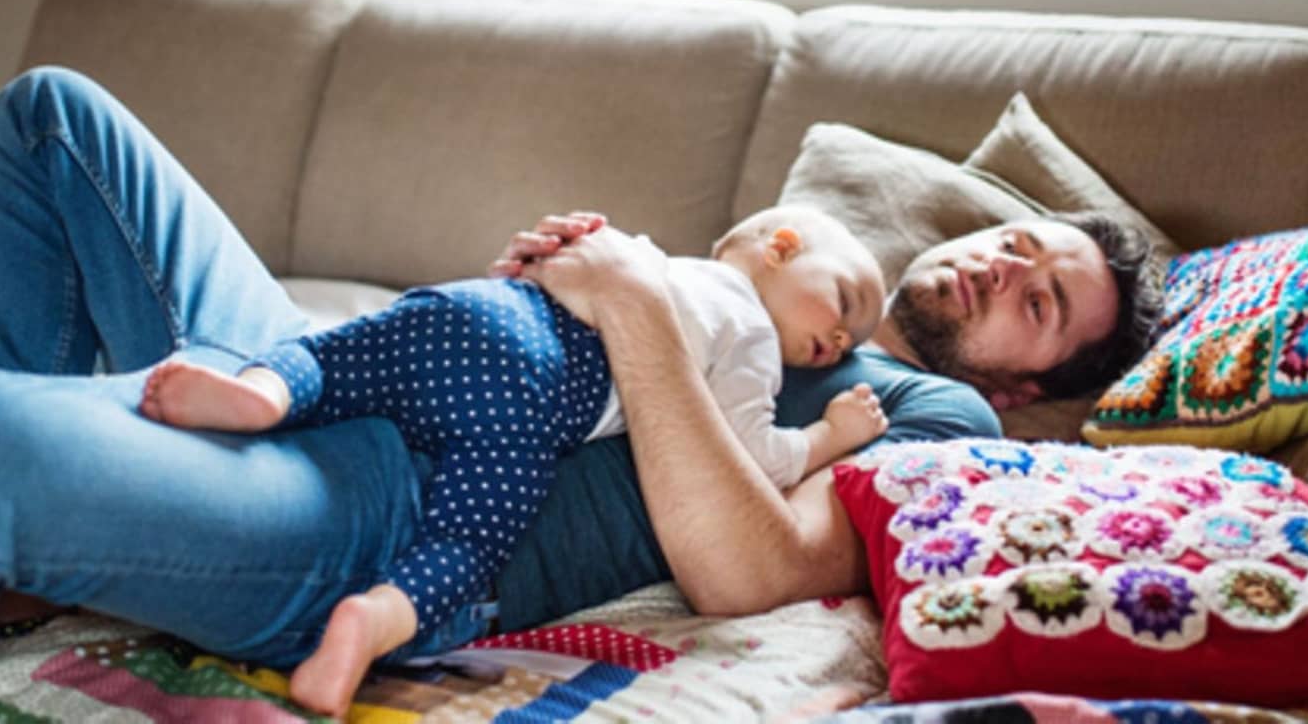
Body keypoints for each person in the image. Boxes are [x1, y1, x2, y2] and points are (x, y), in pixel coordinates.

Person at [0, 67, 1158, 702]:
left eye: (1040, 306)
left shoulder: (934, 422)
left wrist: (625, 306)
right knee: (49, 119)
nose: (996, 272)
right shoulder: (771, 274)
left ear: (1037, 390)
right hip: (332, 365)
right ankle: (68, 490)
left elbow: (751, 565)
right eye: (1014, 241)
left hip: (377, 513)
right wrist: (554, 282)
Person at [137, 203, 891, 710]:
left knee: (336, 355)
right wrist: (829, 437)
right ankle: (374, 622)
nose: (841, 342)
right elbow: (753, 458)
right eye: (845, 303)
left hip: (481, 311)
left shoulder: (641, 253)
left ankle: (263, 394)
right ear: (781, 247)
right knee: (469, 538)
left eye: (853, 342)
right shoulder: (752, 337)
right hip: (532, 396)